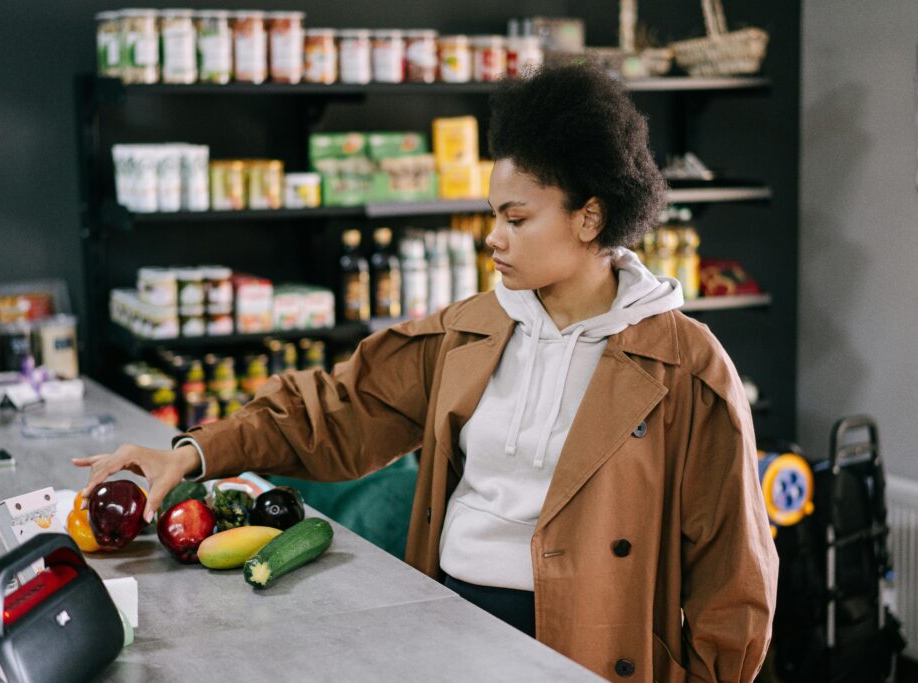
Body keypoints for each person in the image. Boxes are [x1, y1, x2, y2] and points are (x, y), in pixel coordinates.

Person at [76, 64, 778, 682]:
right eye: (492, 215)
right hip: (449, 621)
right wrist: (195, 450)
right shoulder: (473, 327)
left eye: (517, 217)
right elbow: (336, 409)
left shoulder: (684, 364)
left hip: (588, 648)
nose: (493, 237)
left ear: (590, 216)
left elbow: (733, 580)